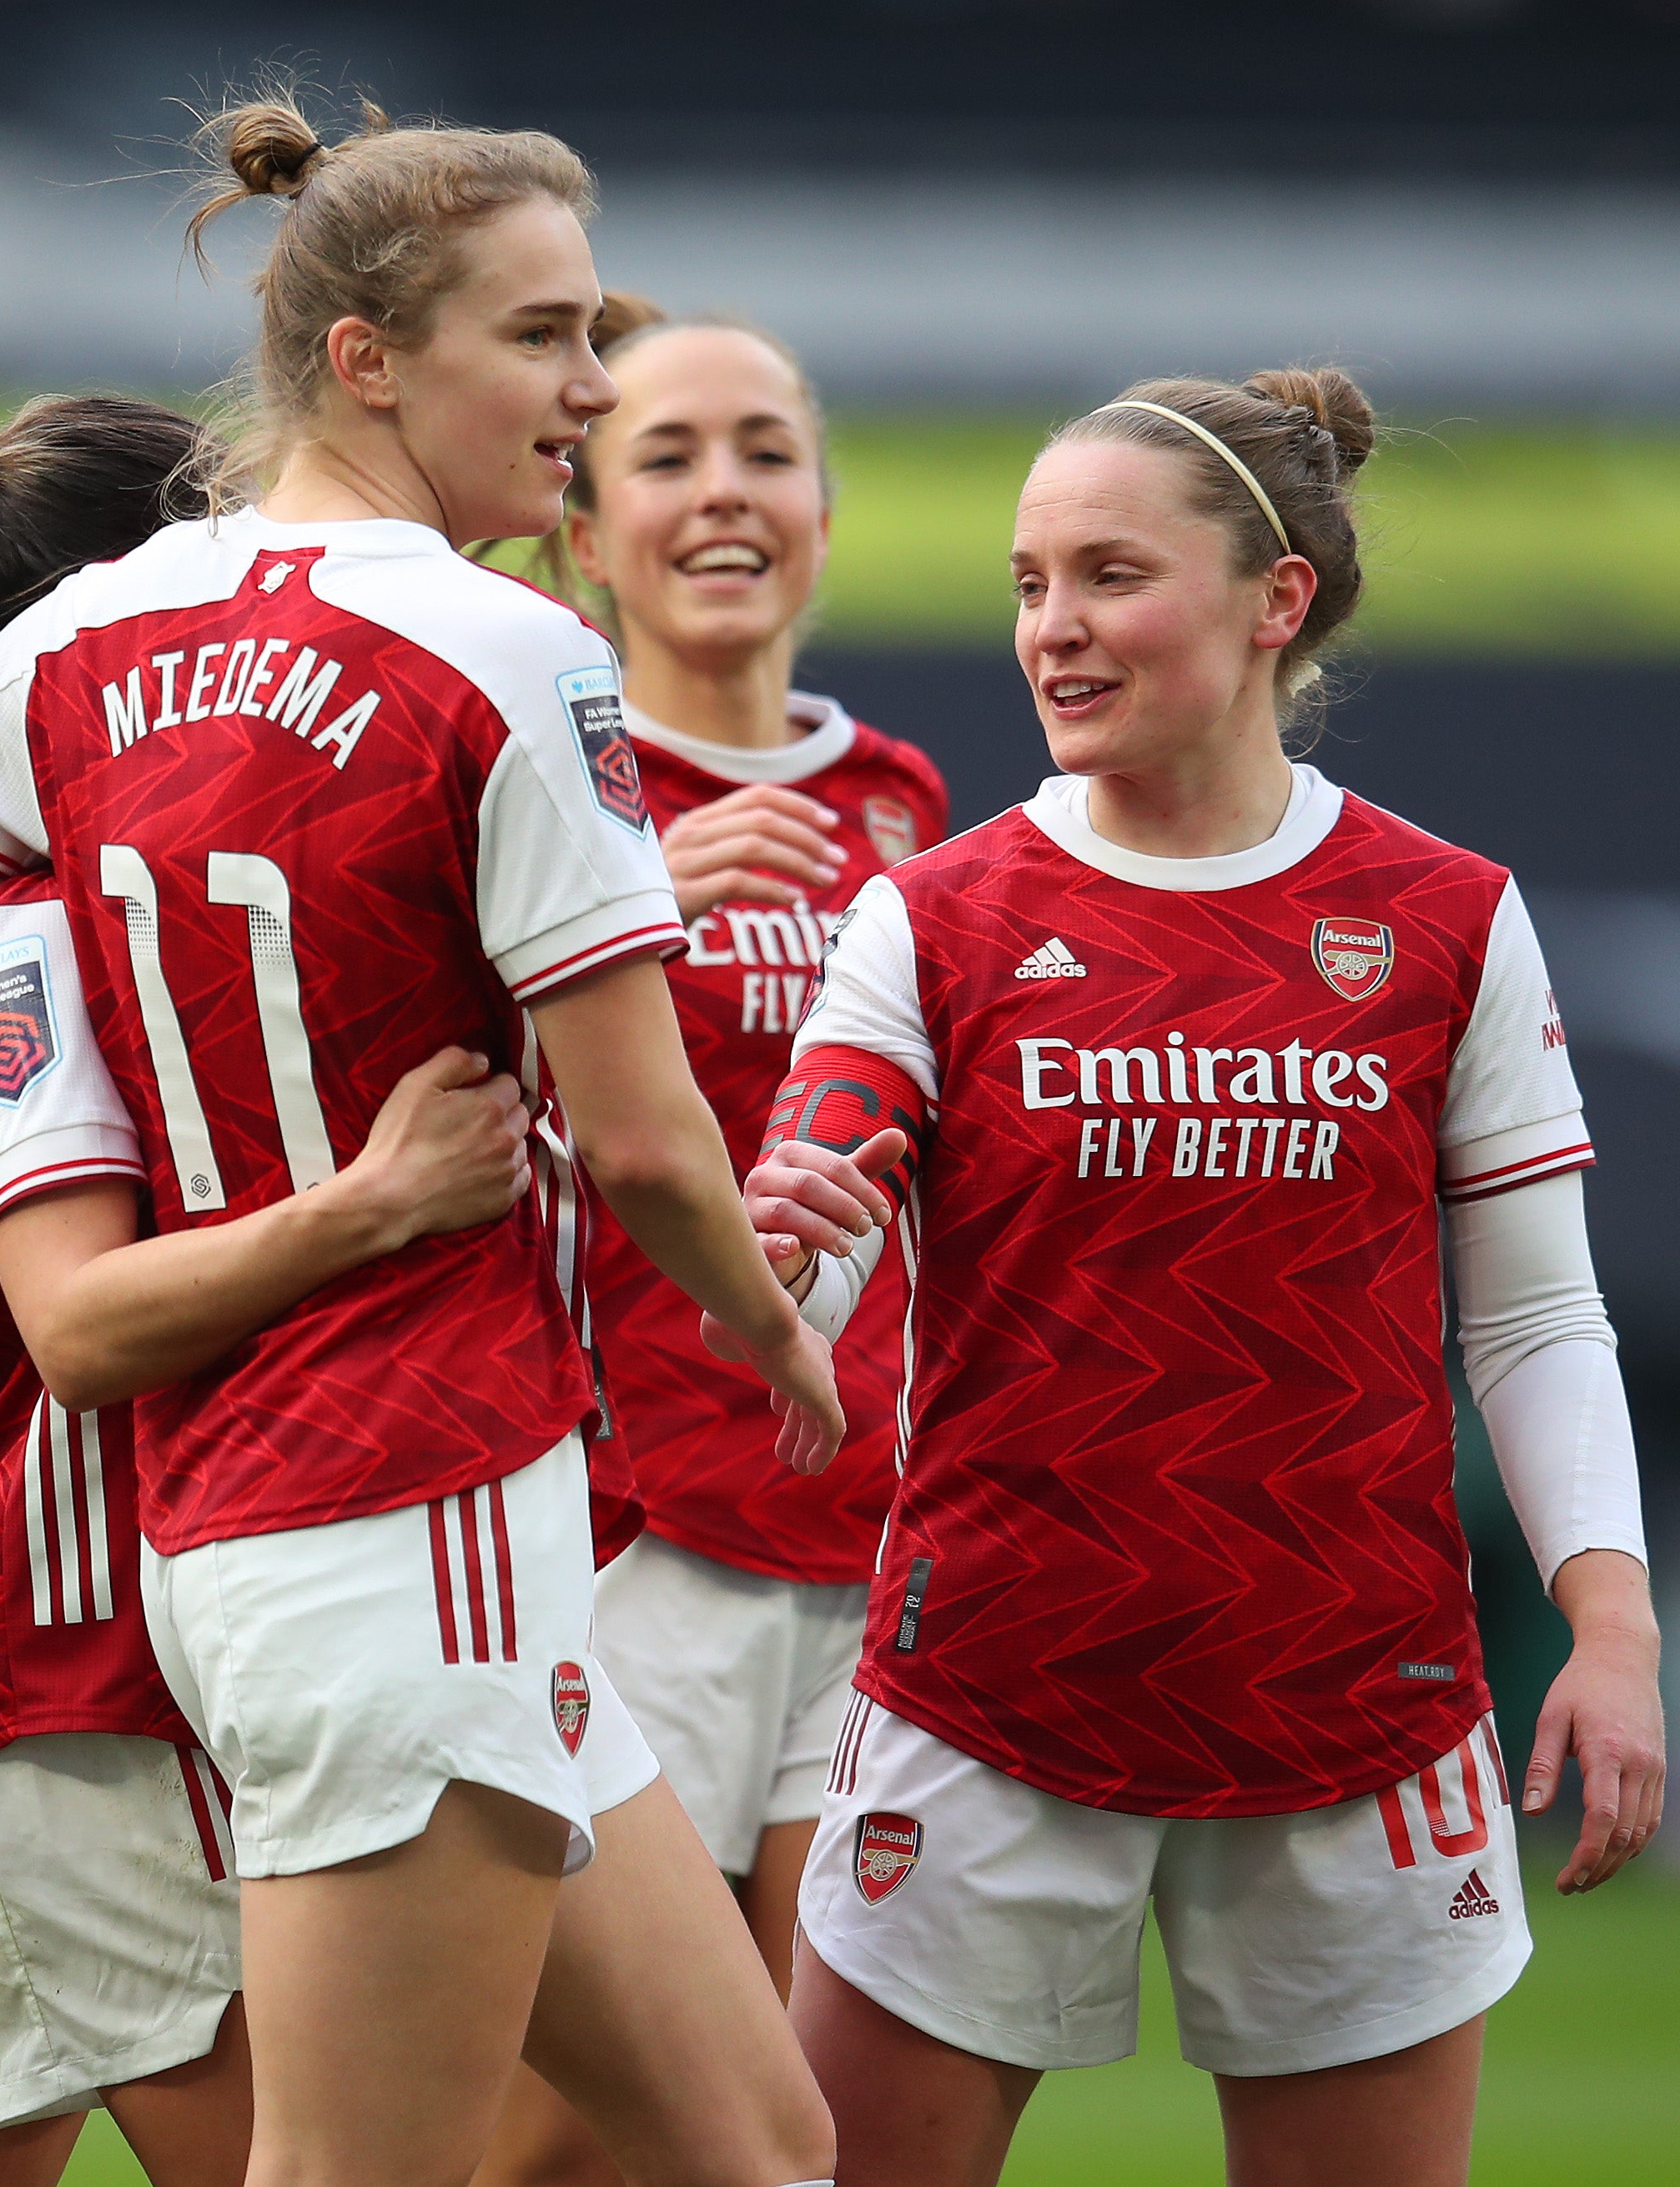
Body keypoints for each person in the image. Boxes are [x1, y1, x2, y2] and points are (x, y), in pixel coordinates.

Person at [0, 96, 841, 2187]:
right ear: (366, 356)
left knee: (761, 2142)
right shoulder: (517, 651)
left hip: (309, 1550)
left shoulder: (80, 639)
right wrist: (775, 1334)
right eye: (542, 339)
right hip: (400, 1504)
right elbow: (640, 1145)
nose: (593, 392)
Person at [741, 367, 1665, 2187]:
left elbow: (1541, 1315)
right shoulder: (930, 919)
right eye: (1026, 583)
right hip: (986, 1701)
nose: (1052, 629)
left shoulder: (1446, 915)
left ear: (1276, 602)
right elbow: (805, 1284)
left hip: (1356, 1696)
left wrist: (1610, 1623)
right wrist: (777, 1281)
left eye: (1106, 574)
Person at [0, 397, 547, 2187]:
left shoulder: (143, 910)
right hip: (66, 1691)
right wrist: (372, 1205)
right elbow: (78, 1325)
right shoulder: (32, 927)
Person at [479, 299, 946, 2187]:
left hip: (863, 1526)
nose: (725, 490)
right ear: (586, 532)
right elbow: (411, 1108)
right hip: (622, 1527)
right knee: (557, 2125)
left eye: (767, 448)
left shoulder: (905, 805)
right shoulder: (541, 771)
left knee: (782, 2117)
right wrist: (614, 918)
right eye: (665, 455)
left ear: (829, 506)